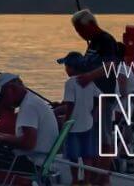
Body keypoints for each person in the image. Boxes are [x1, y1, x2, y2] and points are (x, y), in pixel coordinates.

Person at [0, 73, 60, 186]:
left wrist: (3, 137)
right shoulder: (32, 101)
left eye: (3, 96)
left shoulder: (29, 106)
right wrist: (1, 136)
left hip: (31, 163)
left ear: (11, 89)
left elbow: (29, 143)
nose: (6, 102)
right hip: (39, 159)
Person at [70, 10, 121, 185]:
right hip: (90, 99)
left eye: (80, 29)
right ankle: (100, 177)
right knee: (94, 137)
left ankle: (102, 177)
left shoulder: (106, 40)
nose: (79, 34)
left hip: (103, 97)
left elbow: (111, 66)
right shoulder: (92, 43)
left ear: (91, 24)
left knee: (104, 139)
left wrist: (89, 77)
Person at [55, 52, 101, 186]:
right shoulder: (88, 81)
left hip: (73, 126)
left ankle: (75, 180)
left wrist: (66, 123)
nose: (66, 70)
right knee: (87, 155)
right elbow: (101, 97)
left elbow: (70, 105)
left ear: (72, 67)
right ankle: (86, 182)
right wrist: (95, 114)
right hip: (88, 123)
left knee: (73, 156)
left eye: (67, 66)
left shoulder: (70, 83)